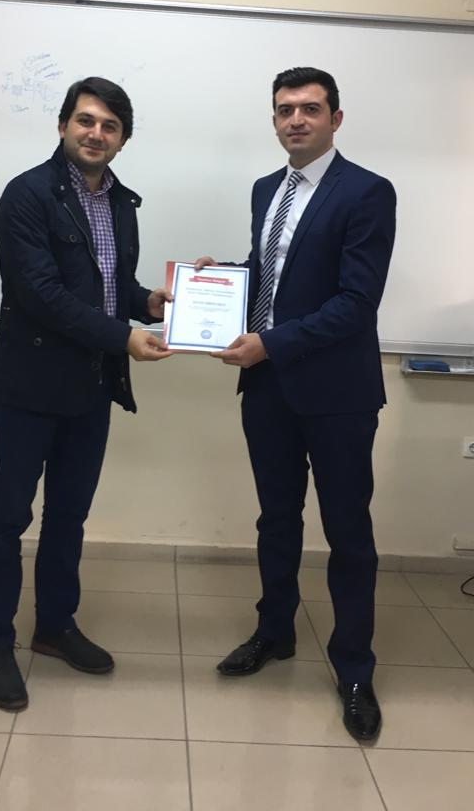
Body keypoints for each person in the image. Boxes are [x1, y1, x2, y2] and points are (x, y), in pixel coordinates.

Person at [196, 67, 395, 742]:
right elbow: (274, 275)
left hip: (337, 393)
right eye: (285, 110)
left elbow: (355, 302)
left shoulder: (367, 191)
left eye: (310, 109)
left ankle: (355, 669)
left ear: (335, 118)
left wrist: (270, 344)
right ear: (275, 119)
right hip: (269, 389)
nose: (296, 120)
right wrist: (217, 283)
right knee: (276, 519)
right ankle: (274, 632)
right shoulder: (266, 189)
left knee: (348, 532)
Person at [0, 76, 172, 711]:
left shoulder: (120, 202)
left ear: (122, 139)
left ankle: (55, 626)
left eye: (110, 125)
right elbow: (41, 294)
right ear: (63, 126)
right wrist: (123, 337)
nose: (96, 133)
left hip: (91, 386)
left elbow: (107, 285)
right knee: (9, 517)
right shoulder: (27, 194)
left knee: (69, 515)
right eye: (86, 120)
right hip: (30, 385)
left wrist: (149, 303)